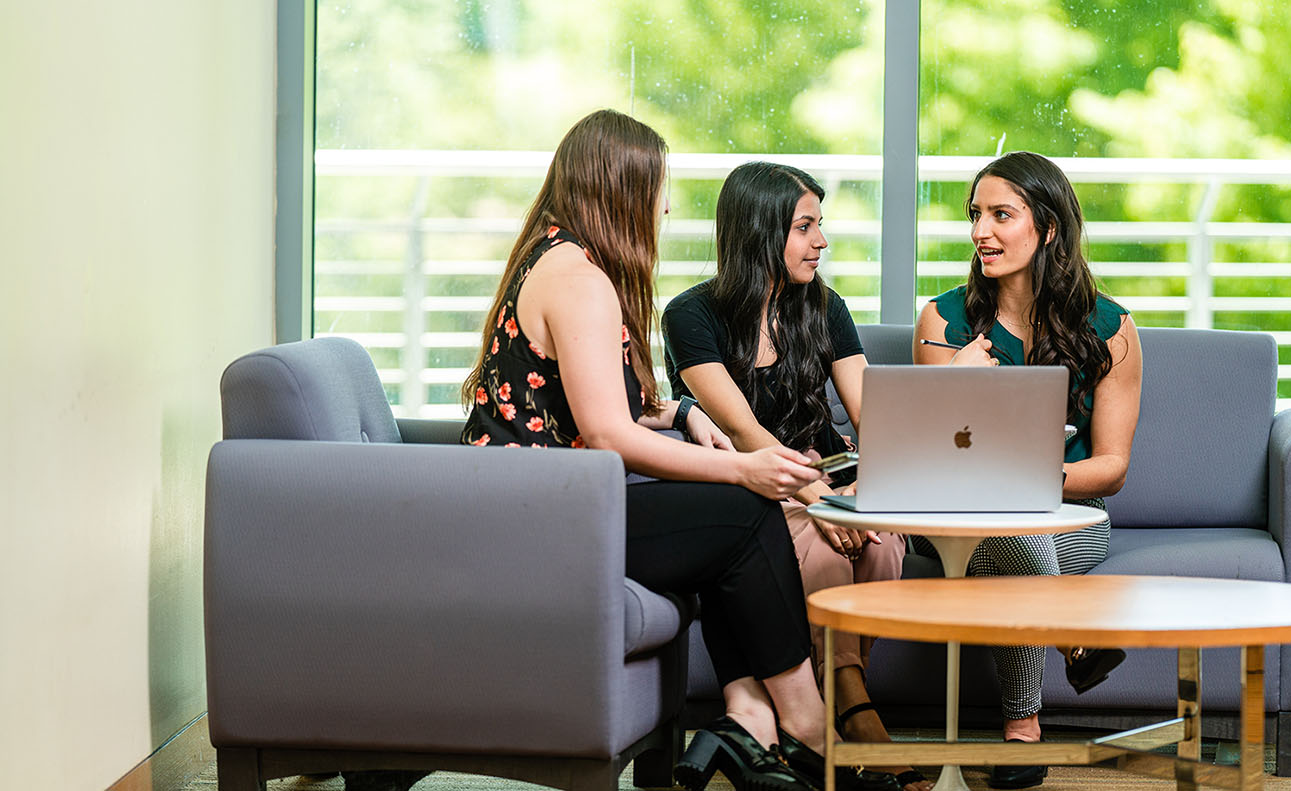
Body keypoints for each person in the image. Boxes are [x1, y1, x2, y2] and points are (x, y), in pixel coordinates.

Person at [358, 109, 833, 791]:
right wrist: (745, 465)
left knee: (724, 518)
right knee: (743, 511)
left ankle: (750, 717)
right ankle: (805, 729)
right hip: (541, 521)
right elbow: (609, 434)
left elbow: (598, 403)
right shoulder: (579, 279)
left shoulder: (554, 257)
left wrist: (687, 412)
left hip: (537, 504)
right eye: (657, 188)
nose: (665, 206)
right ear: (621, 190)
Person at [662, 162, 924, 791]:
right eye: (805, 227)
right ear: (760, 232)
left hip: (827, 475)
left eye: (820, 225)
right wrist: (822, 502)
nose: (821, 242)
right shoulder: (690, 316)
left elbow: (874, 418)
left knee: (883, 539)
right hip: (749, 486)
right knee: (820, 549)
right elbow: (745, 433)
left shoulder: (824, 307)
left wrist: (867, 485)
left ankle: (840, 701)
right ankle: (850, 711)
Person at [913, 151, 1143, 789]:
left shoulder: (1112, 329)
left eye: (1001, 215)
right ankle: (1027, 721)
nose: (980, 231)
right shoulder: (942, 322)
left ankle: (1023, 722)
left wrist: (1036, 484)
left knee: (1031, 531)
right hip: (963, 515)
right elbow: (931, 451)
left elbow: (1113, 467)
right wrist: (958, 384)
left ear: (1047, 227)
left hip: (1072, 513)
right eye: (975, 215)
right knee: (1021, 539)